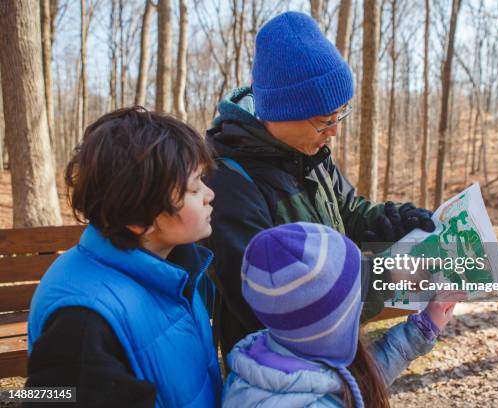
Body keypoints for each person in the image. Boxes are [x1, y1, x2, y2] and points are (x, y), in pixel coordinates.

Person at [205, 11, 436, 362]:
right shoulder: (230, 184)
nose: (334, 131)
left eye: (340, 114)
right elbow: (276, 306)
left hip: (331, 358)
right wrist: (387, 277)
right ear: (281, 111)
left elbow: (349, 212)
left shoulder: (309, 152)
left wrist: (392, 220)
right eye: (324, 120)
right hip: (275, 375)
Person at [26, 107, 222, 408]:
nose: (209, 194)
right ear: (140, 216)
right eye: (195, 187)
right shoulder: (82, 323)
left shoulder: (171, 267)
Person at [222, 223, 455, 408]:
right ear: (334, 323)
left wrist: (422, 329)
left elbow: (358, 382)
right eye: (357, 299)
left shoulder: (273, 353)